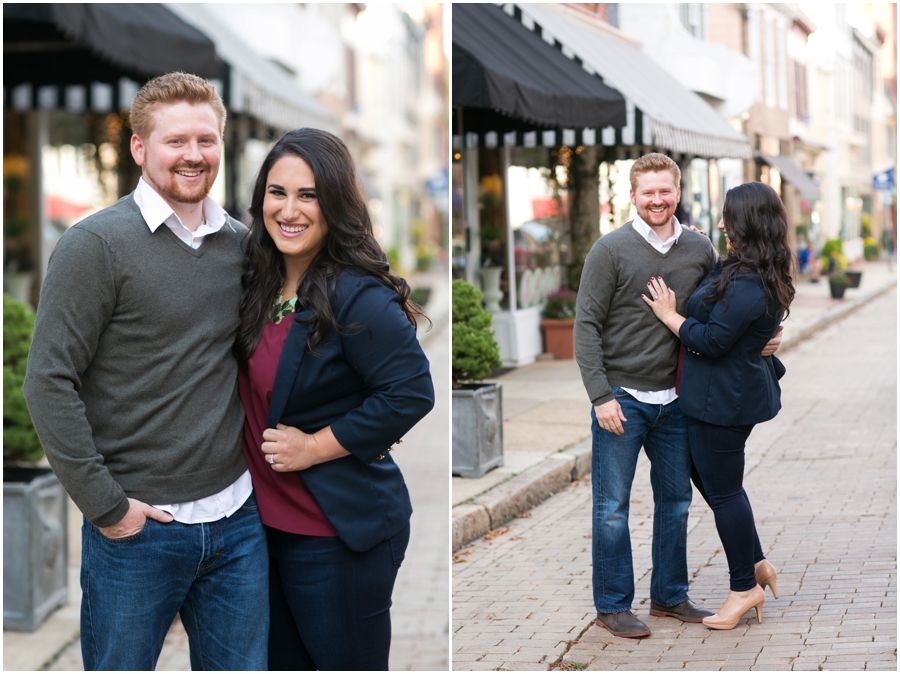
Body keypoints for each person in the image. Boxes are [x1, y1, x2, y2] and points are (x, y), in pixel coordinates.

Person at [23, 72, 268, 670]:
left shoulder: (242, 246)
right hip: (137, 532)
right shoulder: (94, 246)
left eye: (206, 140)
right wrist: (108, 509)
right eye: (175, 141)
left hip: (237, 524)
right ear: (140, 148)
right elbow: (49, 382)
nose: (194, 155)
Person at [235, 128, 435, 670]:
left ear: (336, 204)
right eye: (278, 193)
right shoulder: (257, 283)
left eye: (309, 195)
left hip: (334, 536)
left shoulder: (356, 294)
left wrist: (314, 447)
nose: (289, 209)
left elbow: (412, 391)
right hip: (259, 532)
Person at [574, 153, 781, 639]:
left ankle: (669, 595)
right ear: (632, 196)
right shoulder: (609, 250)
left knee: (676, 503)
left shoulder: (700, 249)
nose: (657, 200)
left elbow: (728, 309)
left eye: (665, 191)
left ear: (678, 193)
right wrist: (600, 395)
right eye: (648, 192)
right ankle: (613, 605)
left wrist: (766, 338)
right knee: (611, 508)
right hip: (623, 398)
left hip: (680, 398)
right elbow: (585, 325)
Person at [642, 181, 793, 630]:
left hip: (724, 403)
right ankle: (758, 563)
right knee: (715, 483)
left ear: (748, 221)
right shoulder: (743, 267)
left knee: (724, 491)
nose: (722, 223)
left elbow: (711, 340)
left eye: (729, 216)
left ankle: (743, 587)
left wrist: (670, 315)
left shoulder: (751, 282)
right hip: (715, 397)